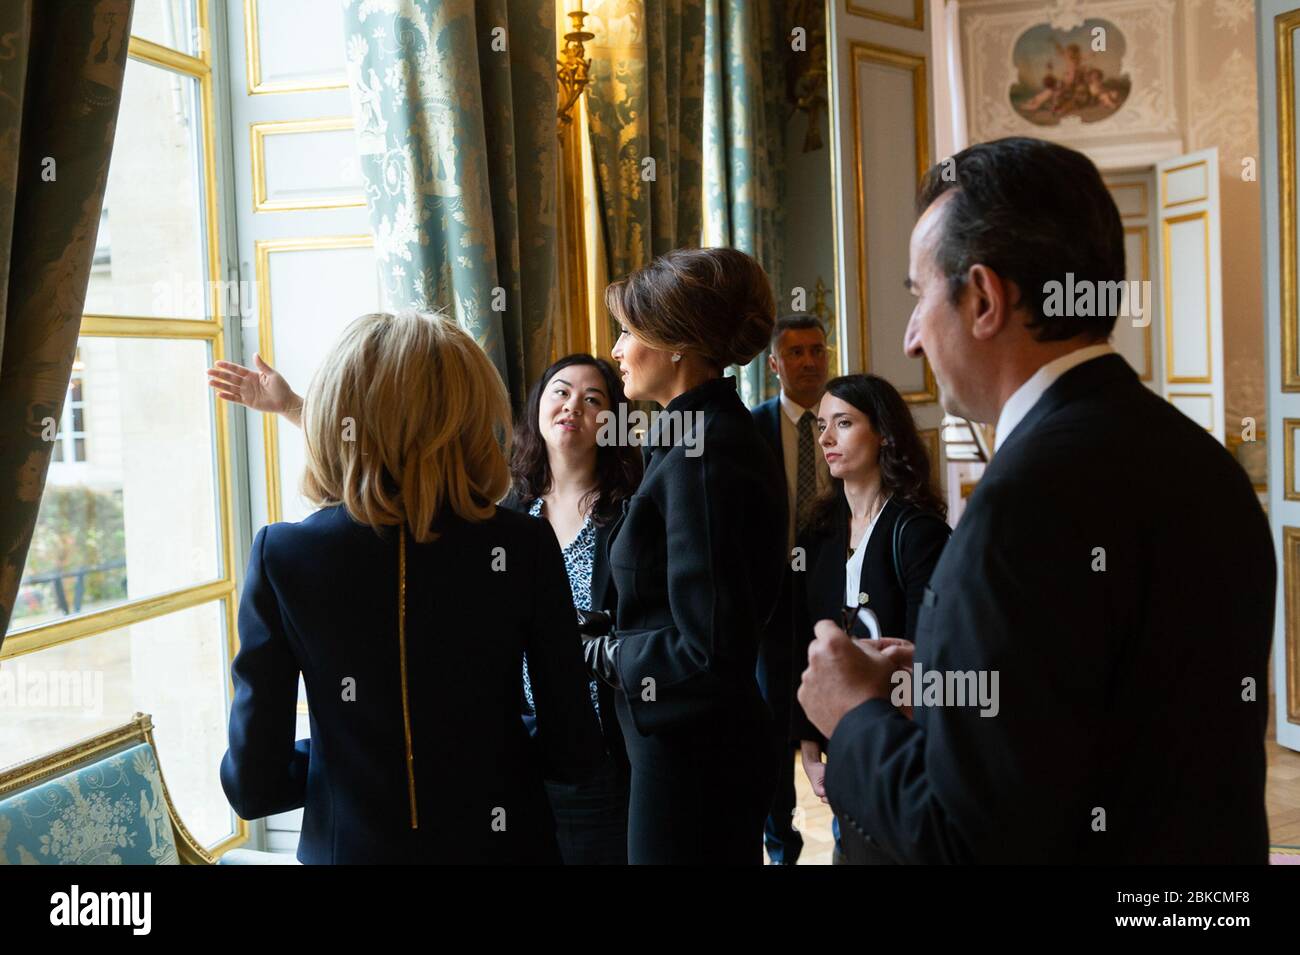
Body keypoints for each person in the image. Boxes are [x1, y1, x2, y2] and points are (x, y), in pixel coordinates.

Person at [797, 136, 1275, 863]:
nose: (911, 337)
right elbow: (1113, 704)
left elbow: (967, 842)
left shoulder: (1019, 505)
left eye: (918, 296)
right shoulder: (1206, 461)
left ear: (984, 298)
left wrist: (853, 713)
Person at [217, 311, 604, 863]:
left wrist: (342, 759)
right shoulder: (523, 544)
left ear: (334, 414)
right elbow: (574, 753)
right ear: (470, 416)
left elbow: (254, 786)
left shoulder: (284, 555)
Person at [579, 246, 787, 864]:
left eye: (627, 331)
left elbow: (709, 649)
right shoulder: (689, 436)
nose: (615, 349)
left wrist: (604, 652)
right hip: (676, 744)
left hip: (695, 758)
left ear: (676, 344)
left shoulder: (706, 454)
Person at [791, 373, 949, 864]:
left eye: (844, 423)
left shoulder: (918, 532)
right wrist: (811, 752)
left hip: (899, 748)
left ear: (882, 432)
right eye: (822, 426)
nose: (826, 439)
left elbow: (931, 655)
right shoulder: (817, 531)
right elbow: (805, 642)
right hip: (841, 747)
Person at [500, 353, 643, 864]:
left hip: (600, 753)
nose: (572, 406)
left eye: (593, 399)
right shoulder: (508, 515)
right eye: (560, 391)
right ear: (539, 405)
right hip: (516, 751)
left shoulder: (632, 513)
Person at [749, 314, 832, 865]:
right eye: (794, 353)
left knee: (839, 716)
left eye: (816, 350)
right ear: (774, 364)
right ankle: (782, 844)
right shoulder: (752, 429)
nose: (807, 361)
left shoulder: (848, 421)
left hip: (833, 593)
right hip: (771, 597)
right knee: (772, 724)